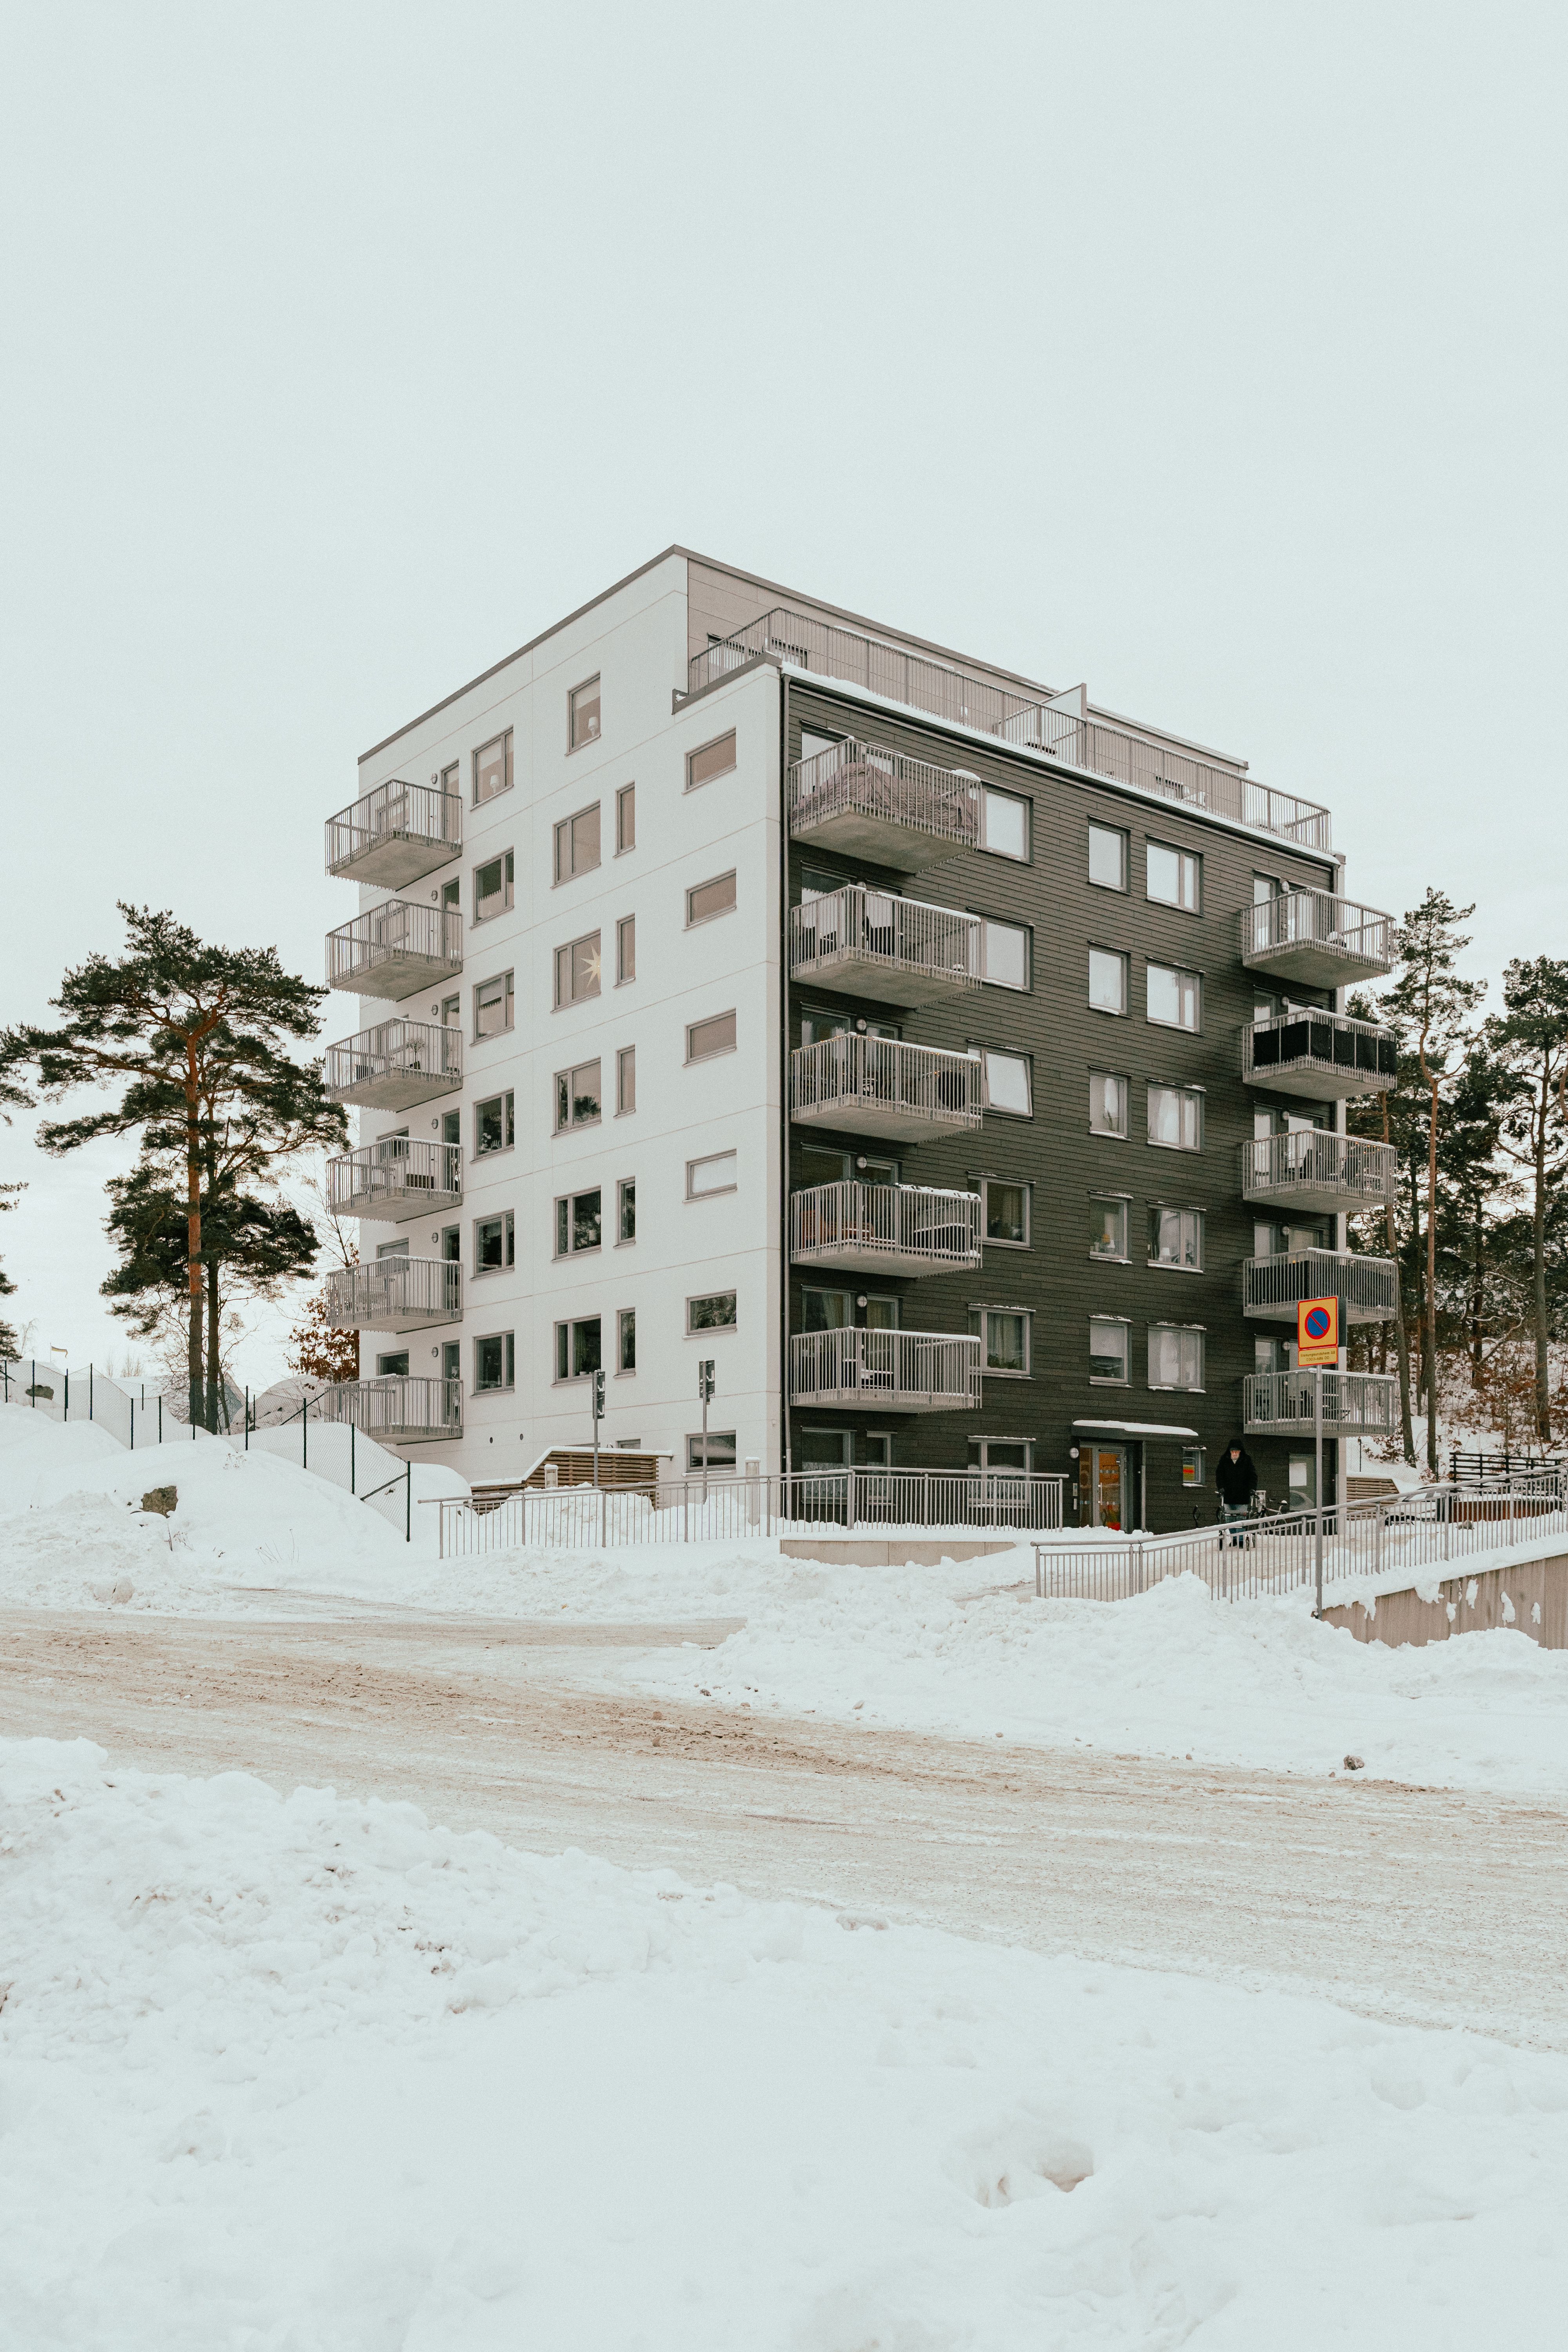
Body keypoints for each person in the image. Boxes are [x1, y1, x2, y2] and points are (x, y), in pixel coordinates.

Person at [1215, 1439, 1258, 1546]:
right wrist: (1221, 1488)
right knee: (1229, 1518)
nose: (1234, 1454)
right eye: (1232, 1452)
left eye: (1236, 1452)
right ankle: (1234, 1538)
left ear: (1240, 1452)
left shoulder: (1247, 1461)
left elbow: (1253, 1476)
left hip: (1243, 1494)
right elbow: (1219, 1476)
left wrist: (1252, 1488)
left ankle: (1241, 1540)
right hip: (1228, 1495)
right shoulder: (1224, 1460)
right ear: (1230, 1452)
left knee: (1241, 1518)